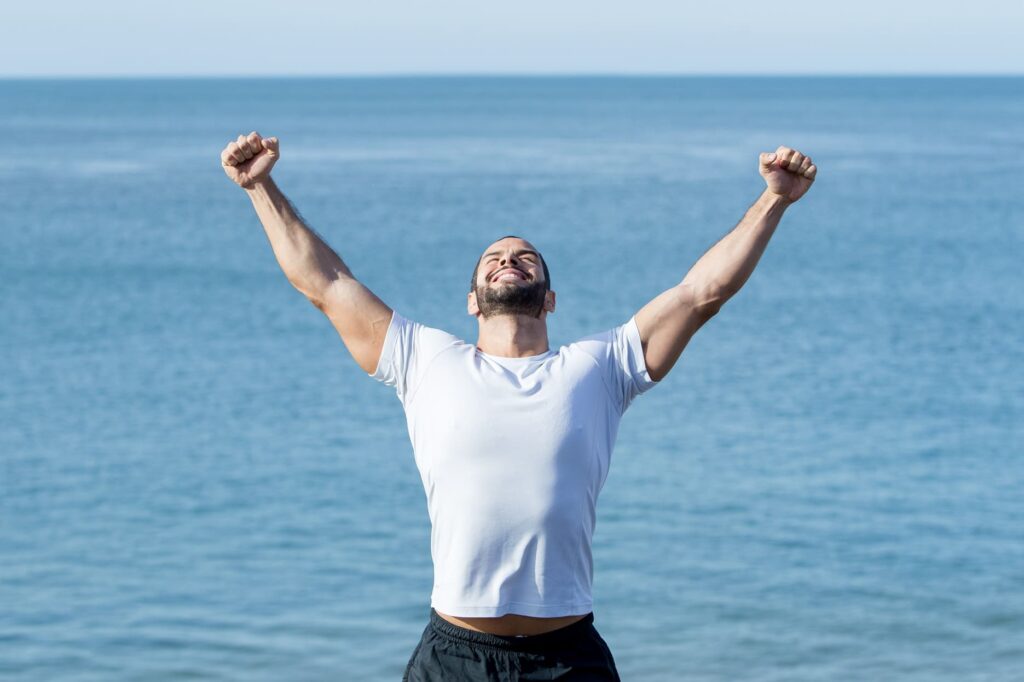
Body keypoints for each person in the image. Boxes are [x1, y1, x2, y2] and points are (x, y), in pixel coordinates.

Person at [220, 131, 816, 680]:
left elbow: (700, 294)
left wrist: (775, 201)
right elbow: (326, 283)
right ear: (473, 301)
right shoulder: (424, 360)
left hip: (568, 656)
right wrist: (260, 188)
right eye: (494, 258)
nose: (509, 259)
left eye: (524, 256)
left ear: (549, 297)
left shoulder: (600, 367)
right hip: (454, 654)